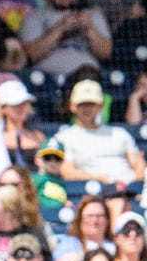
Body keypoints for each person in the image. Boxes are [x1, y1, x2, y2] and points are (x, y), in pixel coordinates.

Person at [57, 80, 144, 210]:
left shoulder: (120, 133)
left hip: (129, 190)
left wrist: (129, 186)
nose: (87, 108)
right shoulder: (64, 137)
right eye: (82, 104)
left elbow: (139, 166)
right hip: (94, 195)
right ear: (72, 106)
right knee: (115, 203)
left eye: (91, 104)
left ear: (100, 106)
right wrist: (101, 179)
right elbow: (67, 170)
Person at [19, 0, 112, 78]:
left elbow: (106, 53)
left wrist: (89, 28)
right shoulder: (35, 16)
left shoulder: (92, 15)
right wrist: (60, 28)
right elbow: (31, 55)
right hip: (48, 78)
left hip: (87, 75)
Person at [52, 195, 113, 261]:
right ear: (80, 219)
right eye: (89, 216)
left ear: (107, 219)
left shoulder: (115, 245)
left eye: (99, 216)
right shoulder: (69, 243)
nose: (94, 220)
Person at [0, 80, 44, 171]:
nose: (21, 108)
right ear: (3, 108)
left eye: (24, 103)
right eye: (15, 104)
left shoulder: (38, 136)